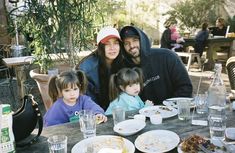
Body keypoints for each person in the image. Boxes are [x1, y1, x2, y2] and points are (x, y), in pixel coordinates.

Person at [119, 25, 193, 104]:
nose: (132, 46)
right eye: (127, 43)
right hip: (142, 113)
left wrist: (165, 107)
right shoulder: (123, 69)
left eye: (135, 40)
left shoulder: (167, 56)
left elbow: (185, 87)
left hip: (173, 111)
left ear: (142, 40)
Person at [75, 26, 125, 111]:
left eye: (116, 43)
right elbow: (87, 101)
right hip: (94, 112)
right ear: (100, 47)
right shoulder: (87, 69)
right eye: (107, 44)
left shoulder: (122, 62)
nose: (112, 47)